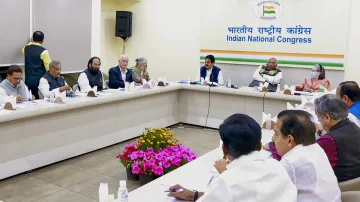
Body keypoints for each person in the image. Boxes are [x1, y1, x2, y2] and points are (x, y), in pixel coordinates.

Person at [168, 114, 297, 202]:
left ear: (224, 148)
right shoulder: (278, 167)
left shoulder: (226, 181)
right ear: (259, 146)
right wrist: (193, 195)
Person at [267, 110, 341, 202]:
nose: (273, 138)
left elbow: (268, 193)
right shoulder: (316, 147)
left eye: (276, 134)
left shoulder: (291, 162)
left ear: (290, 140)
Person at [314, 94, 360, 182]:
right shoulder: (354, 127)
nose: (319, 121)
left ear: (327, 117)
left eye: (319, 117)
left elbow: (316, 169)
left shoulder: (328, 140)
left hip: (340, 186)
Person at [22, 31, 52, 99]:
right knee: (39, 100)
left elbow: (23, 51)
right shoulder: (44, 51)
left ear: (32, 38)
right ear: (43, 40)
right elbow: (49, 68)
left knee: (30, 98)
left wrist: (30, 43)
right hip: (39, 81)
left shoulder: (26, 48)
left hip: (28, 80)